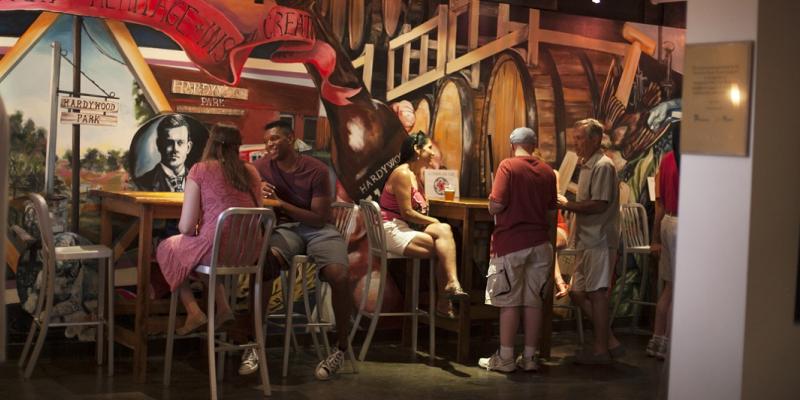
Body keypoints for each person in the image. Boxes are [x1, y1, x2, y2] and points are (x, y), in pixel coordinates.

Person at [242, 120, 351, 381]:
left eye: (275, 139)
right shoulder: (260, 168)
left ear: (291, 138)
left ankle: (341, 347)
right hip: (285, 231)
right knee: (264, 266)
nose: (269, 145)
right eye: (266, 141)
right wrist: (257, 190)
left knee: (339, 276)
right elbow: (244, 194)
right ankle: (254, 342)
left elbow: (318, 217)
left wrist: (281, 204)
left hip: (318, 229)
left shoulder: (316, 170)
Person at [156, 123, 261, 335]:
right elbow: (259, 210)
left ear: (211, 144)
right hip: (250, 253)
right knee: (200, 252)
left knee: (167, 248)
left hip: (216, 251)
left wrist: (198, 227)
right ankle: (223, 308)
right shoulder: (252, 171)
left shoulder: (200, 170)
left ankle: (193, 312)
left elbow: (186, 227)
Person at [478, 127, 556, 373]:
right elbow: (551, 208)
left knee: (509, 301)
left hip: (511, 243)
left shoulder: (508, 166)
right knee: (534, 302)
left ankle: (506, 357)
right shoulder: (548, 171)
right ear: (534, 145)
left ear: (512, 145)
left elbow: (497, 204)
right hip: (541, 244)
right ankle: (530, 357)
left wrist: (491, 203)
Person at [378, 132, 469, 318]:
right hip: (392, 228)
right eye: (429, 148)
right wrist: (434, 221)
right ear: (417, 150)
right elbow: (407, 212)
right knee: (444, 247)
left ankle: (452, 285)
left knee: (445, 232)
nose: (433, 153)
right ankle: (445, 300)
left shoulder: (415, 174)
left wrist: (435, 222)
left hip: (406, 226)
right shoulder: (403, 173)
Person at [557, 118, 623, 364]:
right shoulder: (586, 164)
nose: (576, 143)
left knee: (597, 293)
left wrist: (567, 204)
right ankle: (610, 340)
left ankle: (600, 350)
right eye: (575, 138)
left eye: (580, 138)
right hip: (586, 239)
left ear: (595, 139)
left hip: (599, 239)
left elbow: (599, 204)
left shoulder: (603, 166)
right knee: (576, 292)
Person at [648, 123, 680, 360]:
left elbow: (658, 204)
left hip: (668, 221)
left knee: (669, 286)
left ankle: (656, 341)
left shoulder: (666, 160)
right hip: (684, 224)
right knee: (679, 289)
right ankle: (669, 345)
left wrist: (655, 238)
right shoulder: (689, 160)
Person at [137, 114, 193, 192]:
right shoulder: (143, 183)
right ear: (159, 145)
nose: (175, 149)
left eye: (180, 142)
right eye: (169, 143)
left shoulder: (199, 181)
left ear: (188, 147)